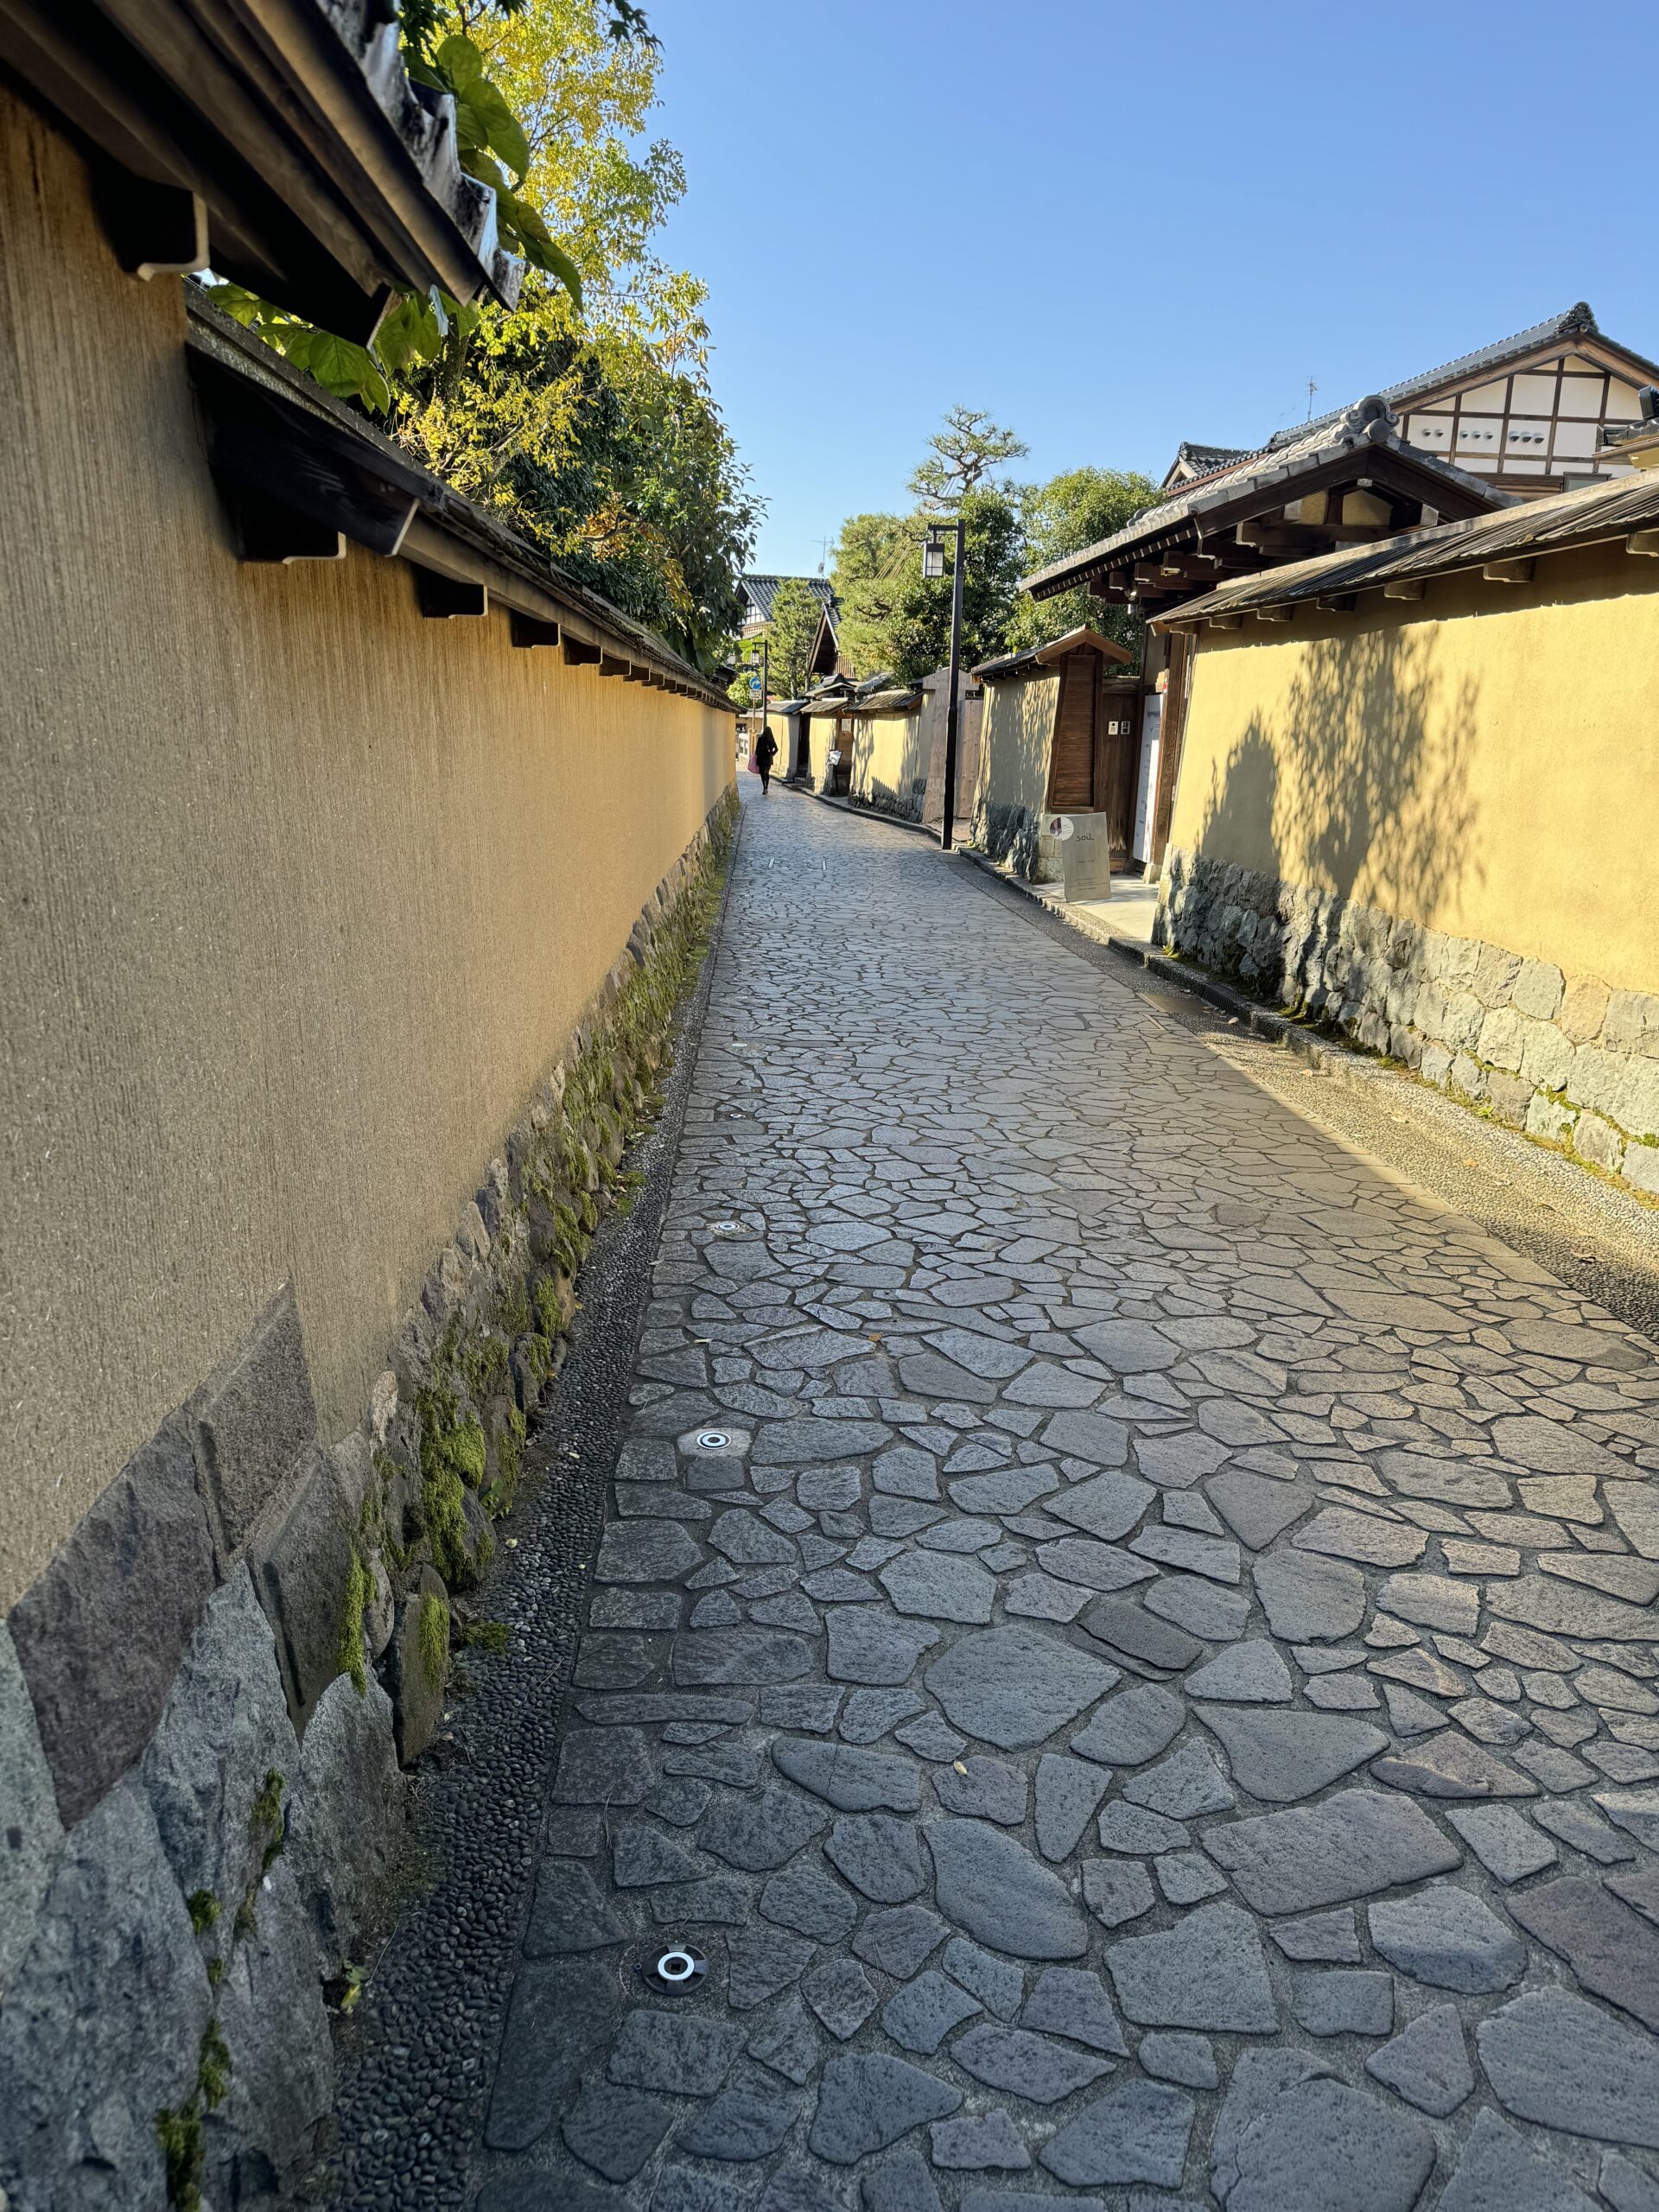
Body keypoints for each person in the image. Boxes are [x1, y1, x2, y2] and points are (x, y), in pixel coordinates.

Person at [753, 723, 779, 796]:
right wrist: (772, 754)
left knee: (763, 774)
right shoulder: (771, 739)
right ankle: (766, 787)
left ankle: (764, 788)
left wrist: (758, 753)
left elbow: (757, 749)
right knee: (766, 773)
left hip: (761, 758)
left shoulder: (761, 738)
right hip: (768, 758)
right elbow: (776, 749)